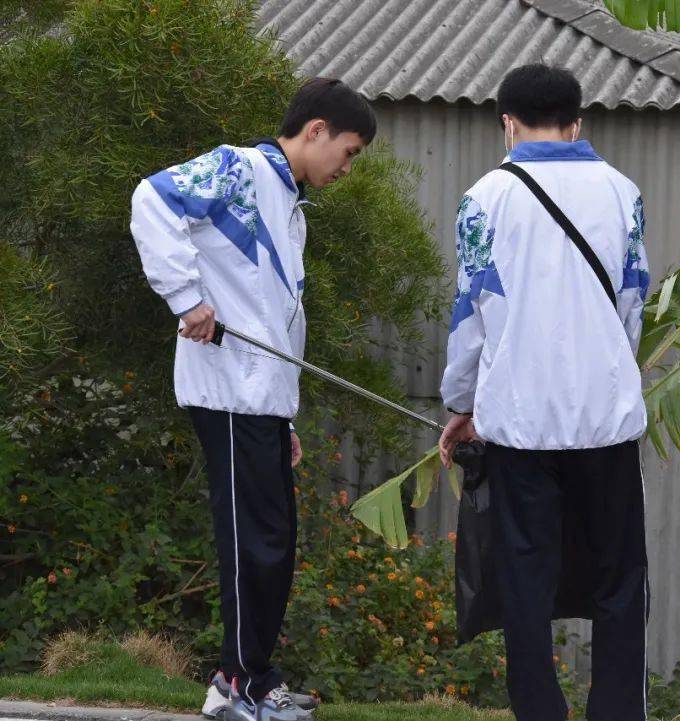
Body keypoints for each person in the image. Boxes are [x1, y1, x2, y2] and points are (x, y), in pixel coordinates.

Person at [129, 77, 375, 721]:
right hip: (228, 391)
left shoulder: (288, 205)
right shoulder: (241, 167)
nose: (347, 167)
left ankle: (254, 679)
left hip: (259, 398)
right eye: (348, 151)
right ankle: (234, 685)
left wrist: (284, 412)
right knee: (253, 542)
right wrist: (186, 298)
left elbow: (272, 317)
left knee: (274, 541)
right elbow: (151, 198)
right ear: (316, 130)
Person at [438, 64, 651, 721]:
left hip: (520, 424)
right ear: (577, 121)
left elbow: (472, 314)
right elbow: (632, 304)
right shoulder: (622, 192)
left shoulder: (485, 199)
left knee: (525, 575)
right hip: (605, 420)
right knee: (619, 576)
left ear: (507, 121)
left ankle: (538, 709)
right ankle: (616, 710)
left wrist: (461, 402)